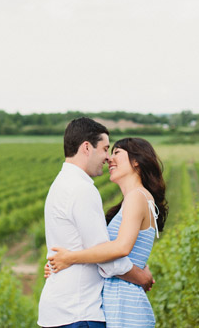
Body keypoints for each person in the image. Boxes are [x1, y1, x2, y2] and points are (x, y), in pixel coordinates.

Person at [38, 118, 154, 328]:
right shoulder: (81, 189)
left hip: (65, 308)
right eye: (105, 149)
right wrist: (142, 277)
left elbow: (104, 249)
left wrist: (68, 258)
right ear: (86, 148)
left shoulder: (60, 184)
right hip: (79, 310)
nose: (107, 157)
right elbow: (105, 255)